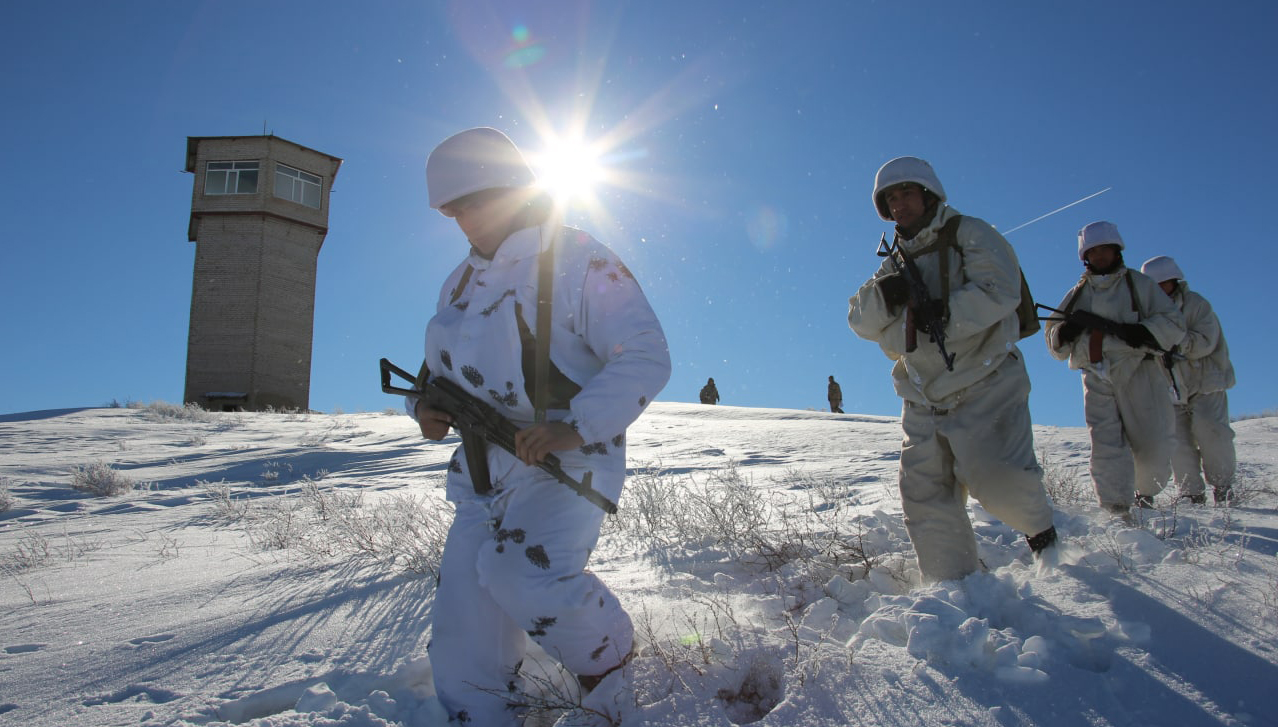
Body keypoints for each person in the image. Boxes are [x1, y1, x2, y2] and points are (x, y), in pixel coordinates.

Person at [408, 127, 671, 727]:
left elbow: (646, 356)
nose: (462, 222)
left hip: (564, 461)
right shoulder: (459, 282)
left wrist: (574, 426)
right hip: (480, 473)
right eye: (452, 212)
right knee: (460, 647)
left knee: (524, 575)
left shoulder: (578, 257)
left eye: (468, 204)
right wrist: (424, 409)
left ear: (507, 187)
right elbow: (439, 372)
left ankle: (611, 667)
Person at [847, 156, 1057, 583]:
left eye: (906, 192)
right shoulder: (893, 262)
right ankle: (954, 588)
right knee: (924, 497)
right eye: (891, 197)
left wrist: (944, 314)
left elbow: (1001, 291)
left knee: (1001, 483)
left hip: (987, 380)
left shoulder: (972, 233)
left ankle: (1046, 541)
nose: (899, 203)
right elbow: (862, 323)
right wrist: (889, 298)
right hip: (922, 394)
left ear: (928, 194)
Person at [1043, 222, 1186, 516]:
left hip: (1139, 370)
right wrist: (1066, 332)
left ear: (1116, 250)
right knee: (1106, 446)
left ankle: (1144, 494)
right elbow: (1053, 335)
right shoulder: (1077, 293)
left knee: (1153, 447)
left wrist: (1142, 333)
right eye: (1093, 251)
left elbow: (1173, 323)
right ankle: (1116, 508)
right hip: (1095, 373)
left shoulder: (1140, 285)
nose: (1099, 256)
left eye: (1104, 249)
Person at [1140, 255, 1237, 505]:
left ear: (1175, 281)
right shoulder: (1146, 313)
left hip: (1205, 382)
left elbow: (1204, 342)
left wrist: (1171, 340)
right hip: (1170, 389)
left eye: (1164, 284)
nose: (1160, 290)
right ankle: (1190, 494)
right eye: (1155, 286)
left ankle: (1223, 487)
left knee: (1212, 432)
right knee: (1178, 443)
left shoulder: (1196, 305)